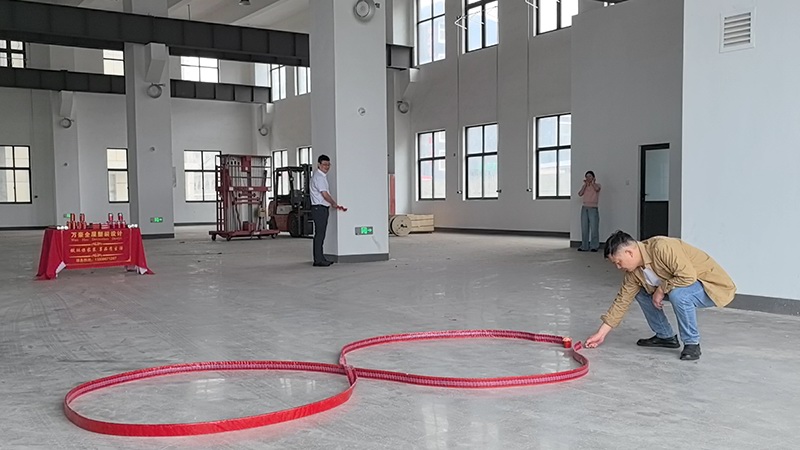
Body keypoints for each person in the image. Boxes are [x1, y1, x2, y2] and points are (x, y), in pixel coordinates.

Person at [585, 230, 736, 360]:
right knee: (641, 293)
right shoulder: (633, 273)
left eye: (618, 262)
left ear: (629, 253)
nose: (618, 267)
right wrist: (601, 334)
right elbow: (621, 301)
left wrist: (661, 289)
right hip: (682, 286)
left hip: (711, 286)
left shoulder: (662, 247)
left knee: (679, 295)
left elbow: (688, 276)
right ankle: (665, 336)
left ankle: (692, 344)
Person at [309, 154, 345, 267]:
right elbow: (324, 194)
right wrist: (334, 203)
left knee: (321, 234)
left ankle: (320, 257)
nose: (327, 167)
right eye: (324, 164)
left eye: (328, 164)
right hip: (319, 208)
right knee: (320, 234)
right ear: (319, 164)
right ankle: (318, 260)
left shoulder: (320, 176)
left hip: (320, 208)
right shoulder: (319, 177)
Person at [577, 171, 601, 252]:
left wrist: (593, 183)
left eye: (590, 176)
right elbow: (580, 193)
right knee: (584, 228)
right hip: (584, 208)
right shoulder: (585, 186)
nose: (588, 178)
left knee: (594, 228)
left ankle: (594, 246)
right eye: (587, 176)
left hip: (593, 208)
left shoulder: (597, 185)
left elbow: (597, 189)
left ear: (593, 177)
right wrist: (585, 185)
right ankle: (584, 246)